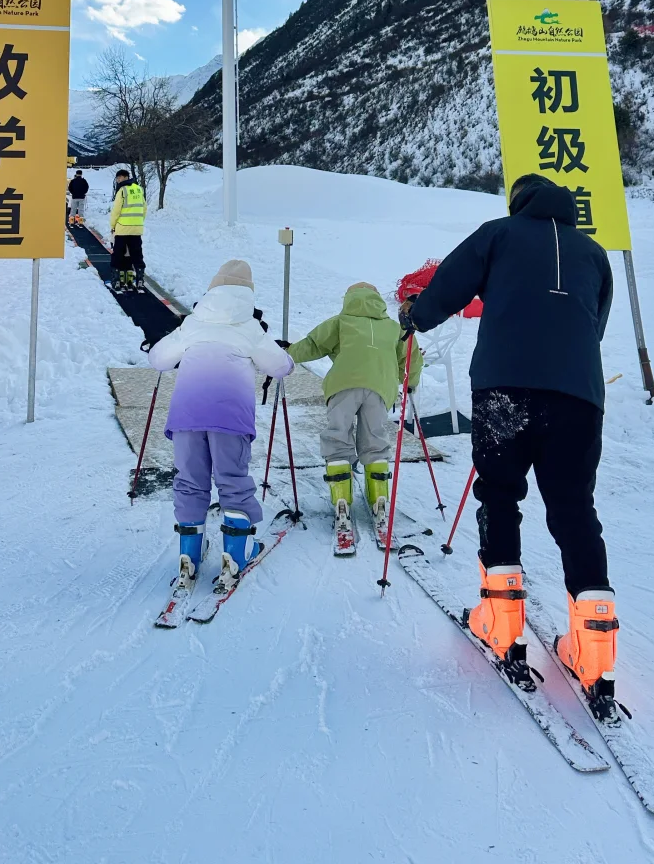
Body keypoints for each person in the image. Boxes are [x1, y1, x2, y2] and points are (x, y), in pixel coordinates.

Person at [402, 173, 618, 717]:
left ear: (518, 203)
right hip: (578, 396)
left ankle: (501, 625)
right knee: (573, 507)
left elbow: (448, 286)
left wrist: (414, 317)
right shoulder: (593, 253)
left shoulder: (498, 234)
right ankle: (595, 649)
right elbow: (594, 326)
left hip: (504, 387)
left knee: (499, 495)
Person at [148, 259, 293, 587]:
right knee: (231, 480)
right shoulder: (249, 326)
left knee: (189, 480)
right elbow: (280, 366)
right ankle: (237, 553)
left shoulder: (193, 323)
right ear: (249, 292)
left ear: (213, 287)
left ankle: (190, 554)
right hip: (230, 418)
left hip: (186, 415)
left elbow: (158, 359)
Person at [286, 282, 423, 536]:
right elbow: (410, 357)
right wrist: (411, 382)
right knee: (374, 439)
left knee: (337, 436)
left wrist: (286, 354)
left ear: (349, 299)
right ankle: (379, 502)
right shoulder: (393, 328)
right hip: (379, 388)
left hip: (343, 385)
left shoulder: (340, 322)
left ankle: (341, 502)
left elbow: (313, 344)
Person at [109, 168, 147, 292]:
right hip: (136, 229)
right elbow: (144, 208)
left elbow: (116, 211)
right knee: (137, 254)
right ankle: (140, 280)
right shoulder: (138, 189)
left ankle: (116, 281)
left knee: (118, 254)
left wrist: (113, 225)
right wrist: (139, 222)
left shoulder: (122, 191)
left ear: (124, 177)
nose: (118, 180)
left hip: (122, 228)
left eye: (119, 178)